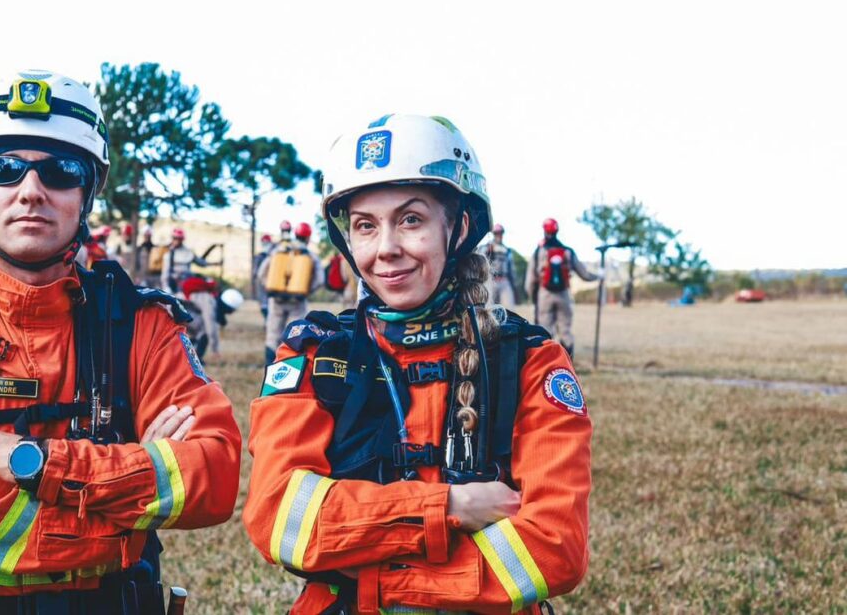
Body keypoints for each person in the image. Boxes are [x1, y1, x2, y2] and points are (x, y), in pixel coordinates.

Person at [0, 70, 241, 613]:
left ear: (87, 193)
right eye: (3, 169)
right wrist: (120, 511)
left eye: (61, 171)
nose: (30, 191)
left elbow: (214, 477)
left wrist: (32, 461)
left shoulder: (146, 325)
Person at [243, 114, 591, 614]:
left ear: (460, 226)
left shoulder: (531, 362)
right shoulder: (316, 355)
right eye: (366, 225)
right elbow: (280, 521)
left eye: (411, 220)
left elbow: (554, 550)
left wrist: (365, 566)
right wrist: (449, 508)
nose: (386, 249)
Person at [524, 218, 600, 357]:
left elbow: (530, 279)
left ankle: (546, 364)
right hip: (564, 295)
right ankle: (568, 363)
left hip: (545, 294)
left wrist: (532, 296)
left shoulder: (539, 252)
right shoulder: (568, 252)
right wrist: (599, 276)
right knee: (565, 331)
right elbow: (585, 274)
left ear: (544, 231)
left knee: (545, 331)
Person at [256, 221, 323, 364]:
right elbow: (320, 280)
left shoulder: (279, 250)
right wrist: (306, 291)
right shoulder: (310, 255)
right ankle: (290, 369)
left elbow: (262, 272)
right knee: (295, 334)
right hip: (298, 301)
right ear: (308, 238)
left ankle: (269, 366)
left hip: (276, 299)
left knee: (272, 334)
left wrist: (269, 288)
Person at [161, 227, 209, 293]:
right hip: (175, 283)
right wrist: (166, 287)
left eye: (179, 239)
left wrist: (208, 263)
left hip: (188, 281)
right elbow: (165, 274)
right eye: (175, 238)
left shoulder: (188, 252)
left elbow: (201, 263)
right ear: (172, 238)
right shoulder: (169, 254)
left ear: (182, 239)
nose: (177, 240)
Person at [480, 223, 517, 307]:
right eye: (497, 233)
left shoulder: (507, 250)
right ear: (494, 234)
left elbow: (511, 270)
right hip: (490, 280)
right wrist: (487, 250)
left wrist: (514, 286)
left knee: (509, 308)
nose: (499, 235)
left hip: (504, 281)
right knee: (488, 307)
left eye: (501, 233)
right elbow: (480, 260)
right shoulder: (486, 247)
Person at [253, 233, 274, 318]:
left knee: (269, 304)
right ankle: (267, 321)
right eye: (264, 242)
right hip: (262, 283)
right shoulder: (260, 256)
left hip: (271, 283)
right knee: (264, 305)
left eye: (266, 242)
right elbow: (255, 272)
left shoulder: (274, 255)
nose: (265, 244)